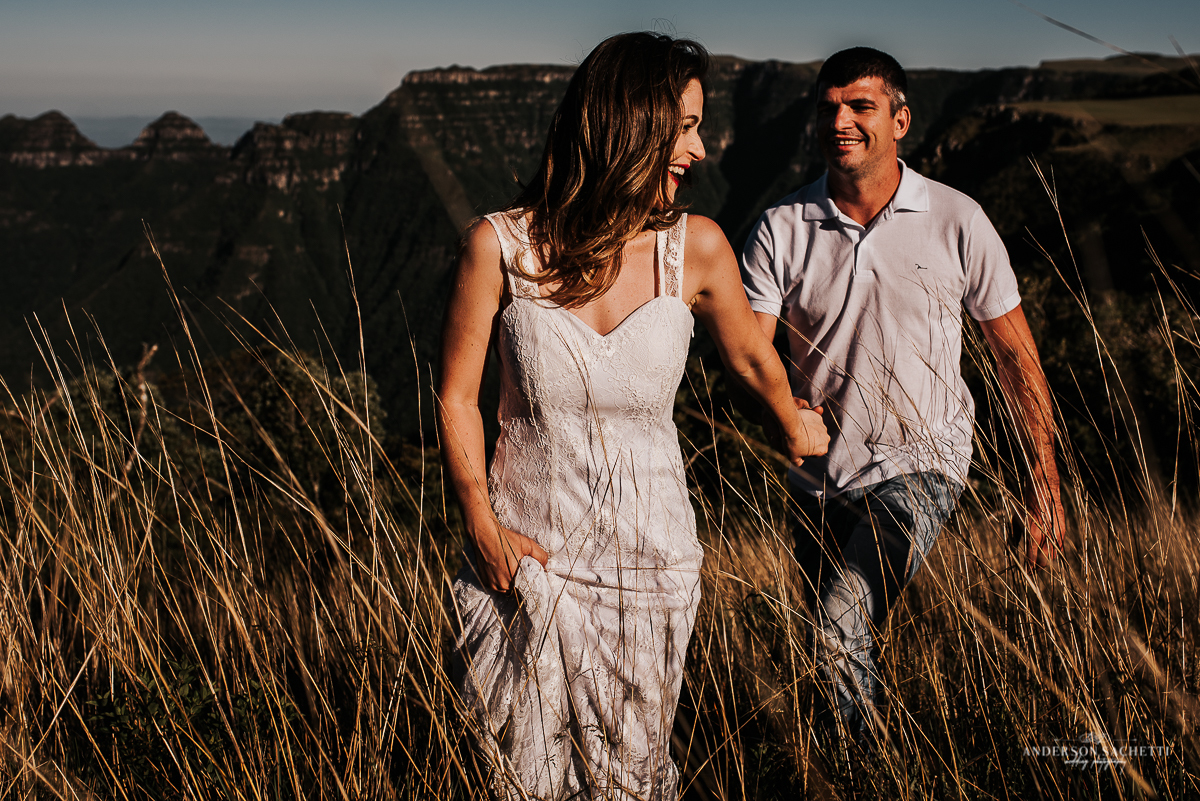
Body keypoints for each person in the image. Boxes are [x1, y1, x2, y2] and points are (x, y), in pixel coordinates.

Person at [437, 32, 829, 800]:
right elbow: (457, 396)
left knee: (629, 777)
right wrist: (482, 530)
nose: (702, 148)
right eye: (684, 126)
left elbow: (751, 357)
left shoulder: (700, 249)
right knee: (513, 777)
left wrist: (793, 420)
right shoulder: (499, 246)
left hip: (650, 571)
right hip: (526, 565)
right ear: (629, 123)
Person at [740, 47, 1065, 747]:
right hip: (817, 475)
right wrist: (783, 411)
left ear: (901, 119)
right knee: (833, 639)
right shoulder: (781, 227)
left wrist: (1045, 481)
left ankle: (860, 773)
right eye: (829, 108)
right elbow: (751, 350)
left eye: (861, 106)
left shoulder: (956, 219)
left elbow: (1016, 357)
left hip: (924, 463)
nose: (842, 121)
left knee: (841, 619)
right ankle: (879, 757)